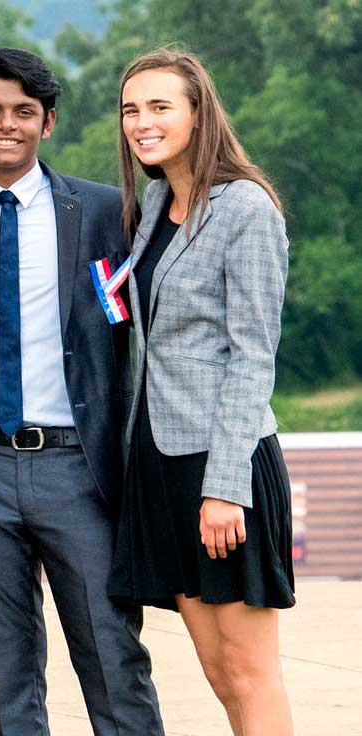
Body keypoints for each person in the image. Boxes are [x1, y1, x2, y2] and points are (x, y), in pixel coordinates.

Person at [0, 47, 164, 735]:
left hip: (79, 468)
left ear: (46, 124)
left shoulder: (110, 212)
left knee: (113, 660)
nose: (6, 125)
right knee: (5, 677)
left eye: (23, 112)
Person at [107, 47, 295, 736]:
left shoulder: (245, 208)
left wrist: (223, 488)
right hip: (158, 461)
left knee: (250, 673)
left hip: (224, 467)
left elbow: (252, 356)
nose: (141, 122)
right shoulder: (156, 201)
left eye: (159, 106)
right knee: (218, 674)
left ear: (197, 113)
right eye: (130, 109)